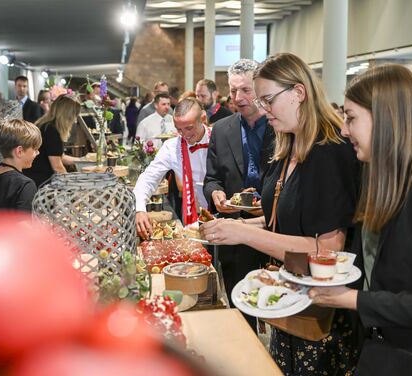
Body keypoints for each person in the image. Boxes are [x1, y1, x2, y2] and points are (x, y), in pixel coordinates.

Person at [200, 53, 361, 375]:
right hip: (291, 298)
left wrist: (245, 233)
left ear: (299, 92)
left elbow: (328, 251)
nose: (263, 109)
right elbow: (281, 217)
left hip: (320, 313)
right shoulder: (288, 144)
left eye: (268, 99)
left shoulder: (328, 151)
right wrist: (237, 224)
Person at [310, 64, 412, 374]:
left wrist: (354, 300)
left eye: (351, 118)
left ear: (387, 117)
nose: (343, 130)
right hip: (383, 352)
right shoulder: (378, 174)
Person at [203, 59, 275, 326]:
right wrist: (216, 195)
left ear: (259, 88)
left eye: (245, 90)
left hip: (274, 228)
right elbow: (211, 179)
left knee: (273, 301)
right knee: (241, 305)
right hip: (236, 229)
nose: (238, 98)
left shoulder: (278, 125)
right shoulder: (222, 129)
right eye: (233, 91)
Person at [134, 98, 210, 239]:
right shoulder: (171, 147)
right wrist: (139, 209)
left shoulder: (219, 138)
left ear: (203, 118)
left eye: (189, 128)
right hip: (192, 215)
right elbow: (148, 178)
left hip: (223, 214)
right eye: (179, 129)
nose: (185, 135)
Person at [0, 119, 41, 214]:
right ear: (19, 151)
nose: (38, 153)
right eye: (35, 149)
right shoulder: (25, 185)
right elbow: (24, 227)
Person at [23, 95, 82, 187]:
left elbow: (58, 156)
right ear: (67, 115)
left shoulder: (45, 125)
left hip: (30, 177)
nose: (75, 120)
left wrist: (82, 160)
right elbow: (57, 167)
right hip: (40, 181)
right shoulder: (51, 131)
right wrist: (72, 186)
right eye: (74, 115)